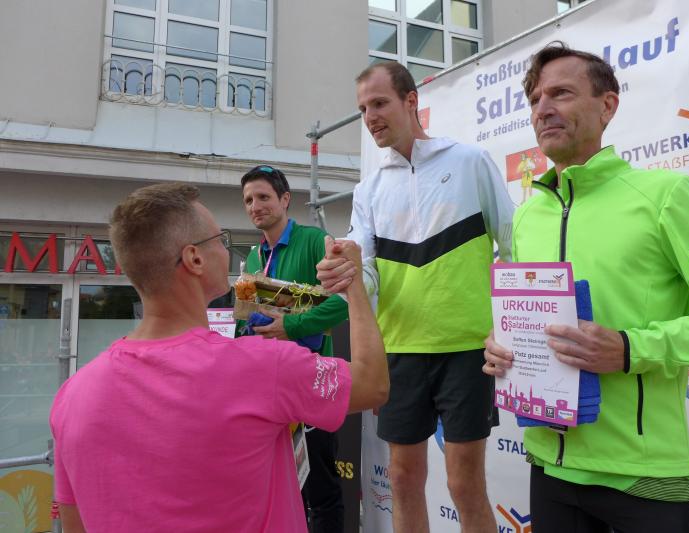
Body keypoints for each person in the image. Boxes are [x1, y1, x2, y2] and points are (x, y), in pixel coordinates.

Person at [482, 42, 689, 533]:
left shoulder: (664, 195)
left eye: (561, 93)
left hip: (642, 475)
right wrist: (501, 345)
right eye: (535, 99)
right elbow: (524, 319)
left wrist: (628, 348)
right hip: (548, 466)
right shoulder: (527, 215)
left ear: (607, 105)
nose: (543, 109)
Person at [49, 182, 387, 533]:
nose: (228, 251)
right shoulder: (262, 367)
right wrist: (354, 284)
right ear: (194, 258)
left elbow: (75, 523)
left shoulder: (72, 396)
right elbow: (373, 383)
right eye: (220, 240)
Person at [317, 62, 515, 533]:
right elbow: (366, 275)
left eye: (379, 103)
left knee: (465, 485)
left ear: (411, 101)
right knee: (403, 480)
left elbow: (512, 246)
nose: (370, 117)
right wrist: (345, 271)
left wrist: (506, 323)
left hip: (467, 349)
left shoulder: (469, 161)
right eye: (363, 109)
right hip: (400, 351)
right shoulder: (368, 189)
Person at [239, 164, 349, 532]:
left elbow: (345, 301)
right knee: (285, 489)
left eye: (263, 197)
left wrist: (291, 325)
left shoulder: (316, 241)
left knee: (322, 492)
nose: (255, 206)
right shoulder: (255, 257)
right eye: (249, 200)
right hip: (271, 389)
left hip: (311, 385)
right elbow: (248, 315)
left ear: (285, 199)